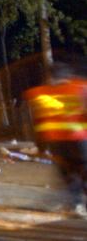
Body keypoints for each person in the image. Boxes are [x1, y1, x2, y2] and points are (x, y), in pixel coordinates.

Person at [24, 63, 87, 218]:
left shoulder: (40, 94)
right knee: (82, 173)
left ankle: (76, 205)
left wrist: (41, 146)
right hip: (79, 142)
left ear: (50, 76)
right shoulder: (80, 88)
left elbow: (38, 124)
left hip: (57, 144)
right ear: (67, 76)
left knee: (69, 175)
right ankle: (77, 205)